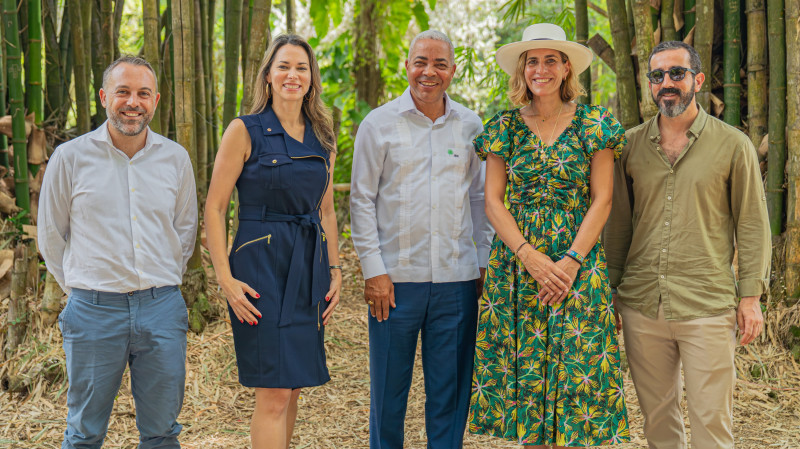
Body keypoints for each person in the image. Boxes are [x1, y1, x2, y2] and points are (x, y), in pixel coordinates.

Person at [467, 23, 630, 447]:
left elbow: (602, 201)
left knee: (577, 381)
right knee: (529, 380)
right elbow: (493, 202)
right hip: (519, 268)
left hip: (577, 262)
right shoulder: (503, 126)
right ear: (522, 70)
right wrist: (529, 257)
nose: (541, 69)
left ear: (566, 69)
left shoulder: (595, 124)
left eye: (550, 60)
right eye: (532, 61)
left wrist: (570, 261)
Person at [603, 41, 770, 449]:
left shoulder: (733, 145)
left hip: (707, 304)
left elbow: (752, 223)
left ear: (697, 79)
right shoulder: (627, 146)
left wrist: (750, 297)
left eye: (676, 73)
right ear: (649, 86)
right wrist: (612, 291)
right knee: (658, 419)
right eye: (657, 76)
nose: (666, 84)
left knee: (711, 420)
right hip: (643, 302)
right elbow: (618, 225)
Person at [38, 56, 197, 449]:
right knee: (84, 433)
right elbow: (51, 236)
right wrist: (81, 288)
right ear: (104, 96)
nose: (133, 102)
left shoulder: (175, 158)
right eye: (123, 91)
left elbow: (184, 232)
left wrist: (158, 284)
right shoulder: (70, 157)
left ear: (156, 100)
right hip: (93, 310)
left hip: (161, 307)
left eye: (143, 93)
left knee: (162, 433)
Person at [350, 30, 494, 449]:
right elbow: (361, 201)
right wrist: (374, 271)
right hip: (394, 284)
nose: (429, 72)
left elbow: (479, 198)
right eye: (421, 62)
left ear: (453, 70)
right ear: (407, 65)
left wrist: (481, 263)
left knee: (450, 398)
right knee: (388, 395)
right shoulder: (378, 124)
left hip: (457, 280)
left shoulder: (470, 125)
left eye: (440, 64)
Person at [204, 34, 341, 449]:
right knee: (275, 390)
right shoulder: (243, 130)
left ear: (312, 78)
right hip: (259, 265)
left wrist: (335, 271)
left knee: (294, 385)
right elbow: (214, 207)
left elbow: (327, 211)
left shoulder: (324, 135)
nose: (292, 75)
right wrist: (225, 280)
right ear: (267, 75)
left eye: (301, 67)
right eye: (283, 66)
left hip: (308, 266)